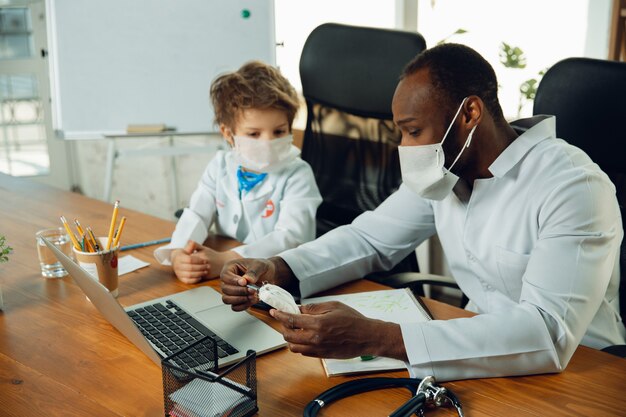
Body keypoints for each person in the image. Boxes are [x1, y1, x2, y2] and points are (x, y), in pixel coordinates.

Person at [219, 44, 625, 381]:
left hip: (583, 367)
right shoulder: (447, 171)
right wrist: (277, 267)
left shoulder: (573, 187)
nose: (406, 146)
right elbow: (369, 238)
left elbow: (548, 332)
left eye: (413, 131)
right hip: (475, 354)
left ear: (469, 115)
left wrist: (380, 338)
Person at [154, 61, 322, 284]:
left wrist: (228, 260)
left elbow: (292, 237)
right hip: (228, 277)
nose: (268, 142)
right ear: (228, 133)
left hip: (275, 279)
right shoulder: (220, 166)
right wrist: (178, 254)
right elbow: (197, 214)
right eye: (254, 134)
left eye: (279, 131)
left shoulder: (298, 174)